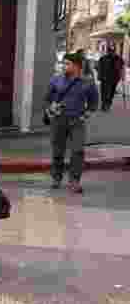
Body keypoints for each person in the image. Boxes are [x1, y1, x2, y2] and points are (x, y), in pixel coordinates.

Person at [44, 51, 99, 193]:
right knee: (58, 151)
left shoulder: (88, 82)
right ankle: (56, 177)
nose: (64, 66)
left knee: (78, 151)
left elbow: (93, 103)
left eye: (67, 64)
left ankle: (74, 181)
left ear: (77, 66)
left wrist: (85, 115)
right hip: (58, 120)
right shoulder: (56, 80)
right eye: (64, 63)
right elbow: (47, 98)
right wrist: (51, 107)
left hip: (77, 122)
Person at [97, 44, 124, 112]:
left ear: (114, 51)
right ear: (108, 51)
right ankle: (104, 105)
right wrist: (99, 76)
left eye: (113, 51)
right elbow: (99, 67)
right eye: (110, 51)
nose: (111, 52)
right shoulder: (103, 58)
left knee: (111, 92)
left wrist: (122, 76)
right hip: (105, 78)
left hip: (115, 78)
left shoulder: (119, 58)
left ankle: (108, 104)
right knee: (104, 92)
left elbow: (122, 68)